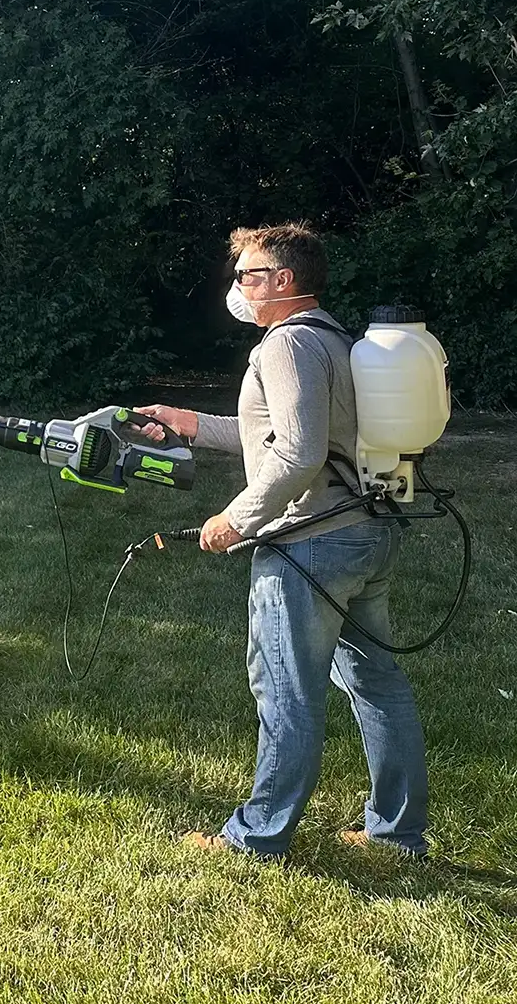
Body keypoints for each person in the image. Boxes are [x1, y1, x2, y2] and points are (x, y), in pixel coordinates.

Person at [136, 222, 428, 859]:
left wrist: (235, 520)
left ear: (283, 281)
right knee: (378, 682)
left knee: (286, 689)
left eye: (247, 276)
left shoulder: (285, 345)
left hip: (309, 546)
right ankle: (397, 828)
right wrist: (189, 425)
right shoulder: (331, 338)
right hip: (363, 535)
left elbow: (295, 456)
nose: (238, 288)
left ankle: (257, 835)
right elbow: (281, 434)